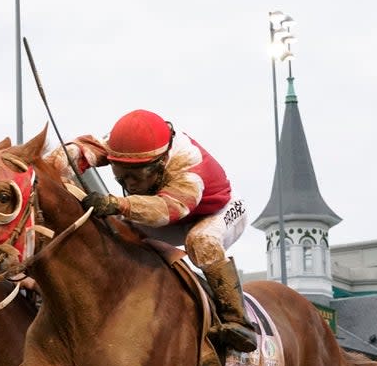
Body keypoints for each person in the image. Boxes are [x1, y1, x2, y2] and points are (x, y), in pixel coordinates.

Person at [49, 109, 257, 352]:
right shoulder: (126, 146)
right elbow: (83, 149)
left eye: (135, 177)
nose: (130, 184)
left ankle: (238, 321)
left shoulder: (188, 166)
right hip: (168, 208)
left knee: (201, 241)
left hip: (216, 210)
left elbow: (167, 209)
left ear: (159, 165)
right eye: (122, 177)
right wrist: (54, 166)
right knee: (118, 226)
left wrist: (118, 203)